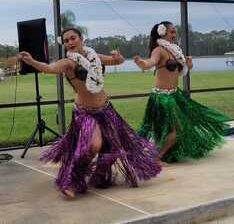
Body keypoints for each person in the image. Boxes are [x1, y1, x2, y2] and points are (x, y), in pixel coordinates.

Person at [17, 28, 161, 198]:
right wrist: (32, 61)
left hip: (106, 109)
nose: (70, 42)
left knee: (113, 147)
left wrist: (118, 57)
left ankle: (99, 177)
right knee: (93, 145)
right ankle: (71, 180)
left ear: (81, 39)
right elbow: (49, 68)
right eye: (66, 40)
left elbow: (117, 61)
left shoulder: (94, 57)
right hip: (85, 112)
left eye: (73, 38)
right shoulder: (68, 63)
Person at [133, 21, 229, 164]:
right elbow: (150, 62)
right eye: (171, 32)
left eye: (174, 31)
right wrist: (142, 63)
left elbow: (176, 73)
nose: (174, 34)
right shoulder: (159, 50)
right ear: (162, 33)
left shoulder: (175, 51)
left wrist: (188, 65)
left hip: (174, 95)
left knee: (179, 125)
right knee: (177, 128)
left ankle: (160, 153)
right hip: (162, 97)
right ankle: (157, 157)